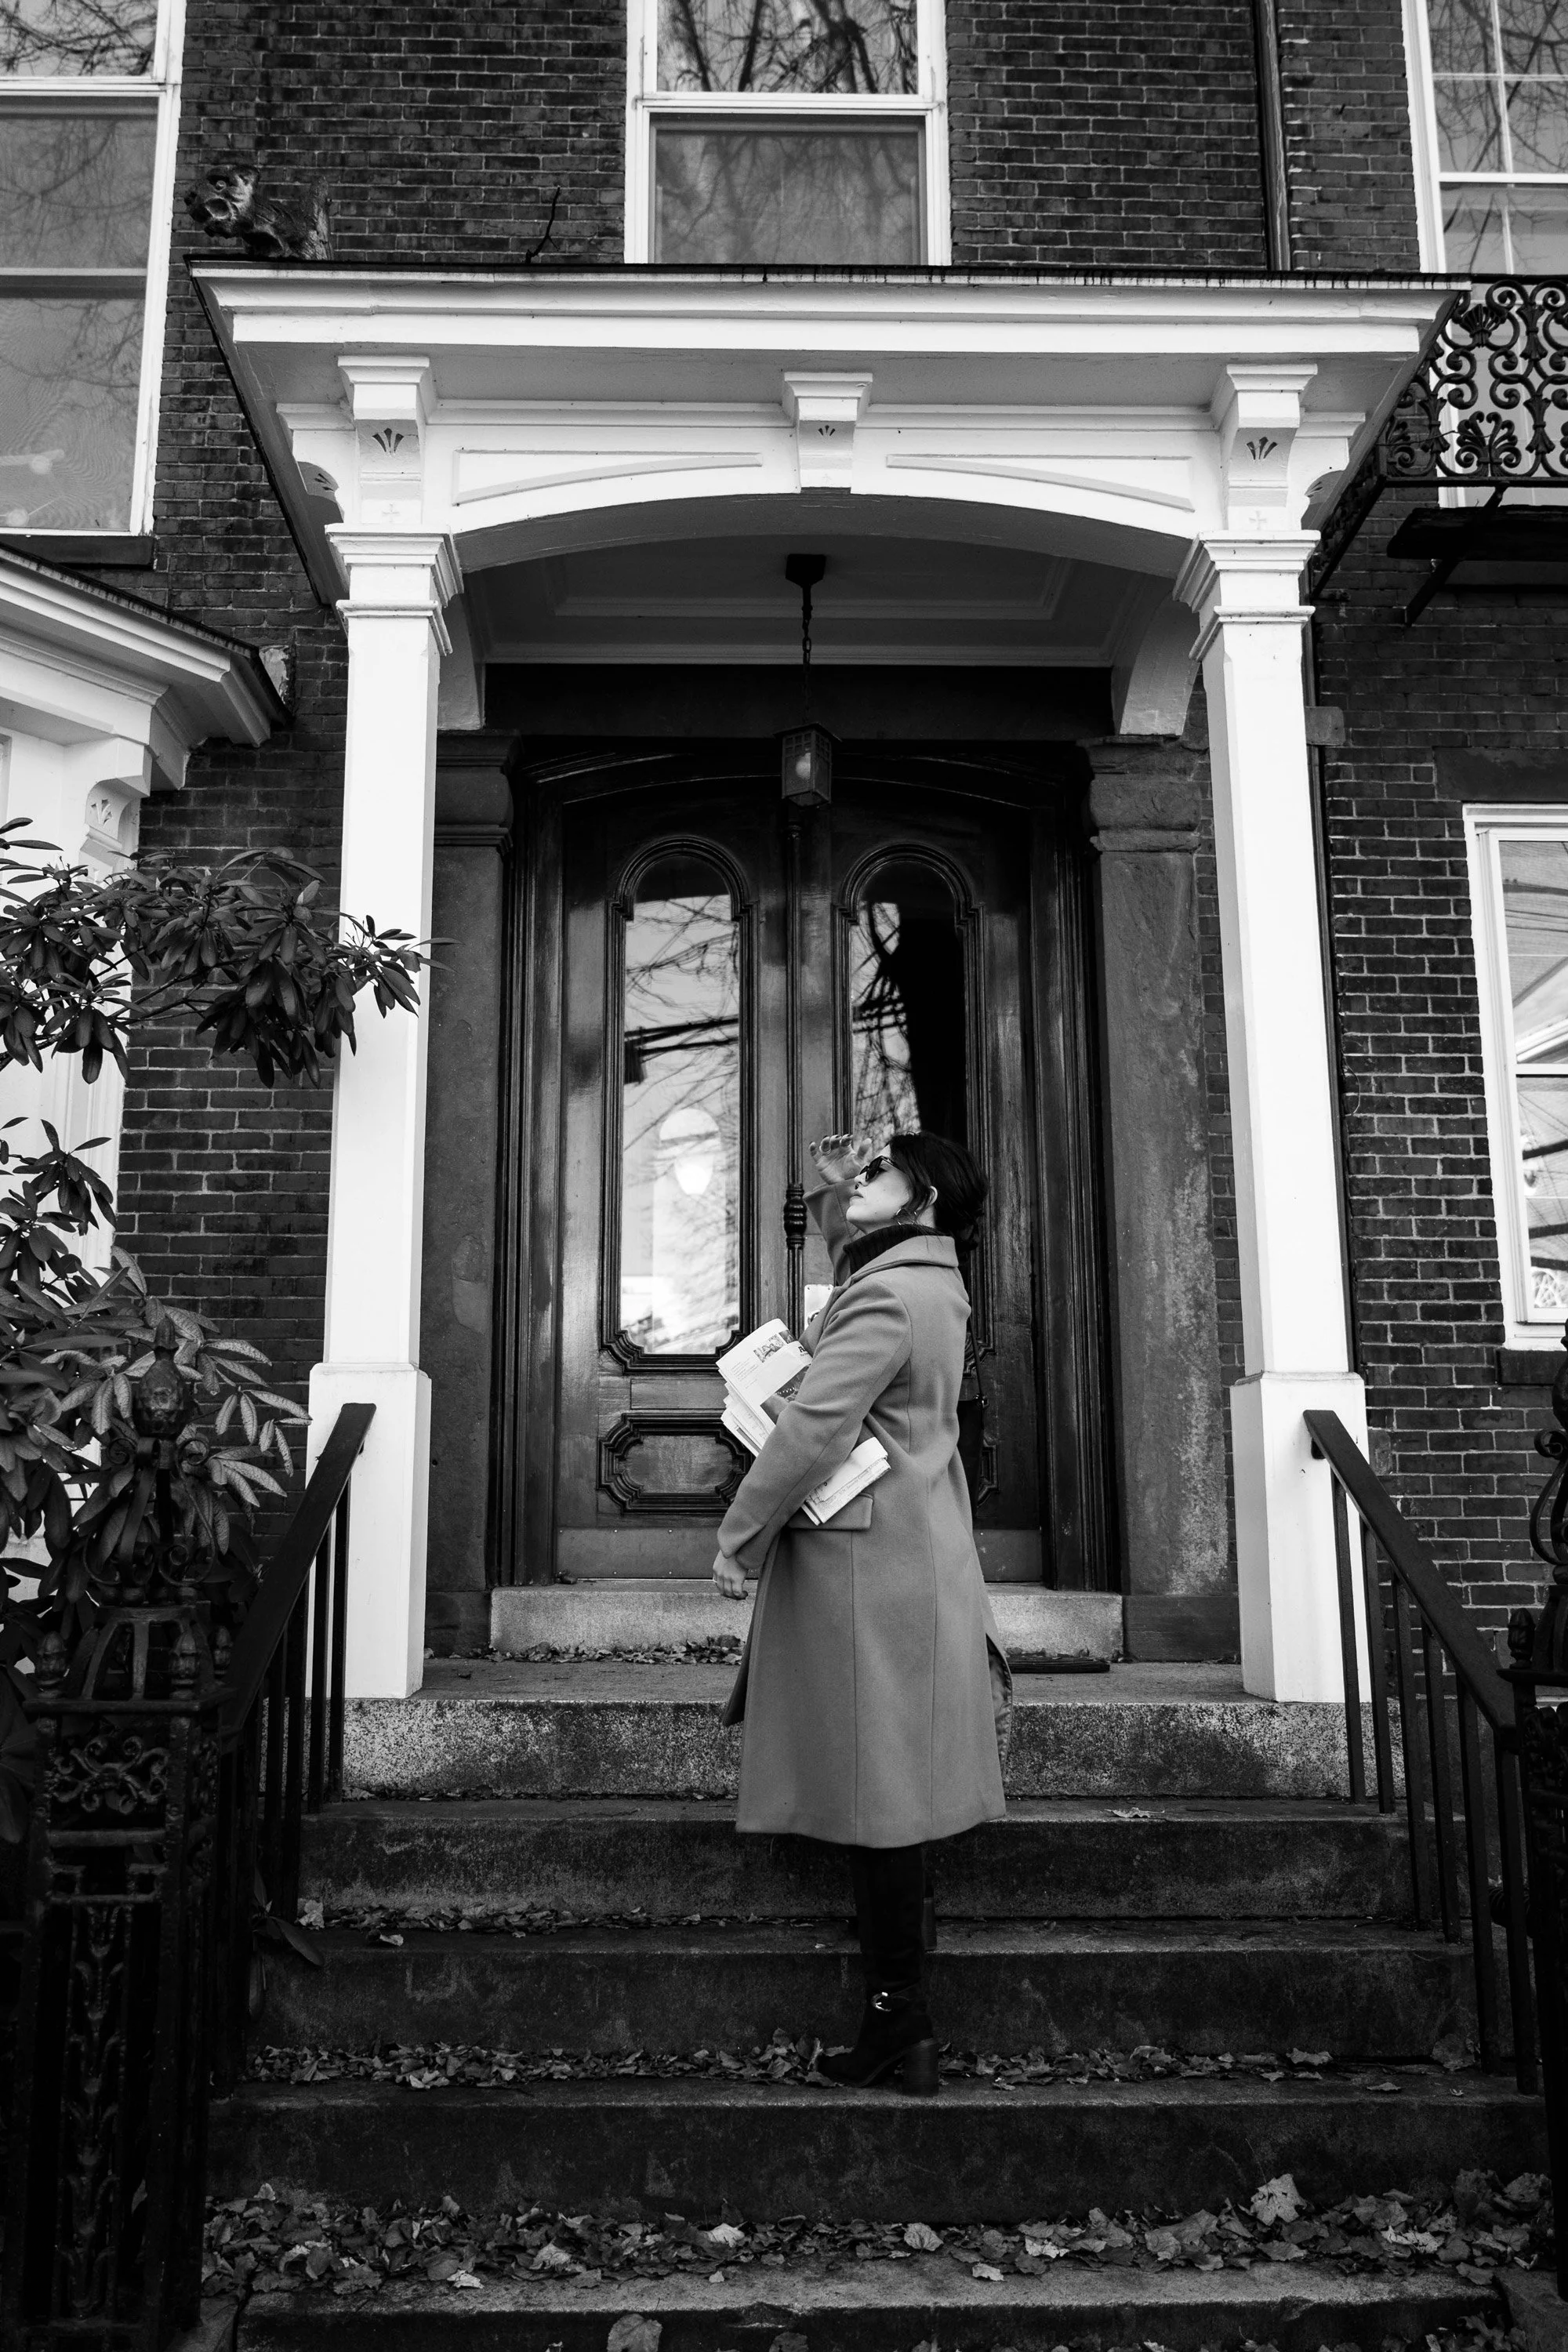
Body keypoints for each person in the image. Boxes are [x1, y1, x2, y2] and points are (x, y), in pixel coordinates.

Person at [711, 1129, 1011, 2096]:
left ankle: (898, 2020)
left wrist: (738, 1538)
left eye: (881, 1171)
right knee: (895, 1792)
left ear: (921, 1197)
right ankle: (900, 2024)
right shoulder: (930, 1281)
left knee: (884, 1799)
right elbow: (856, 1303)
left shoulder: (887, 1294)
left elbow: (814, 1426)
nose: (860, 1178)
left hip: (864, 1565)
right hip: (902, 1553)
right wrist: (840, 1194)